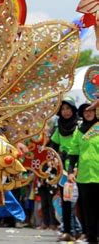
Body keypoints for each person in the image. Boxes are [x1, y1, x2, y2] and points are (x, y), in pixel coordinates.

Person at [67, 102, 98, 244]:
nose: (88, 113)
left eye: (91, 110)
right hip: (84, 177)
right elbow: (73, 153)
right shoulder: (78, 131)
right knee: (87, 208)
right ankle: (91, 236)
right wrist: (70, 171)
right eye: (85, 111)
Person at [50, 96, 79, 242]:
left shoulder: (80, 127)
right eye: (63, 109)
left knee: (81, 203)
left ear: (74, 110)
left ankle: (83, 231)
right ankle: (68, 231)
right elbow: (53, 147)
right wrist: (55, 159)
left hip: (79, 169)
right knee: (66, 201)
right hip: (63, 171)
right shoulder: (58, 128)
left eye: (68, 108)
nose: (66, 112)